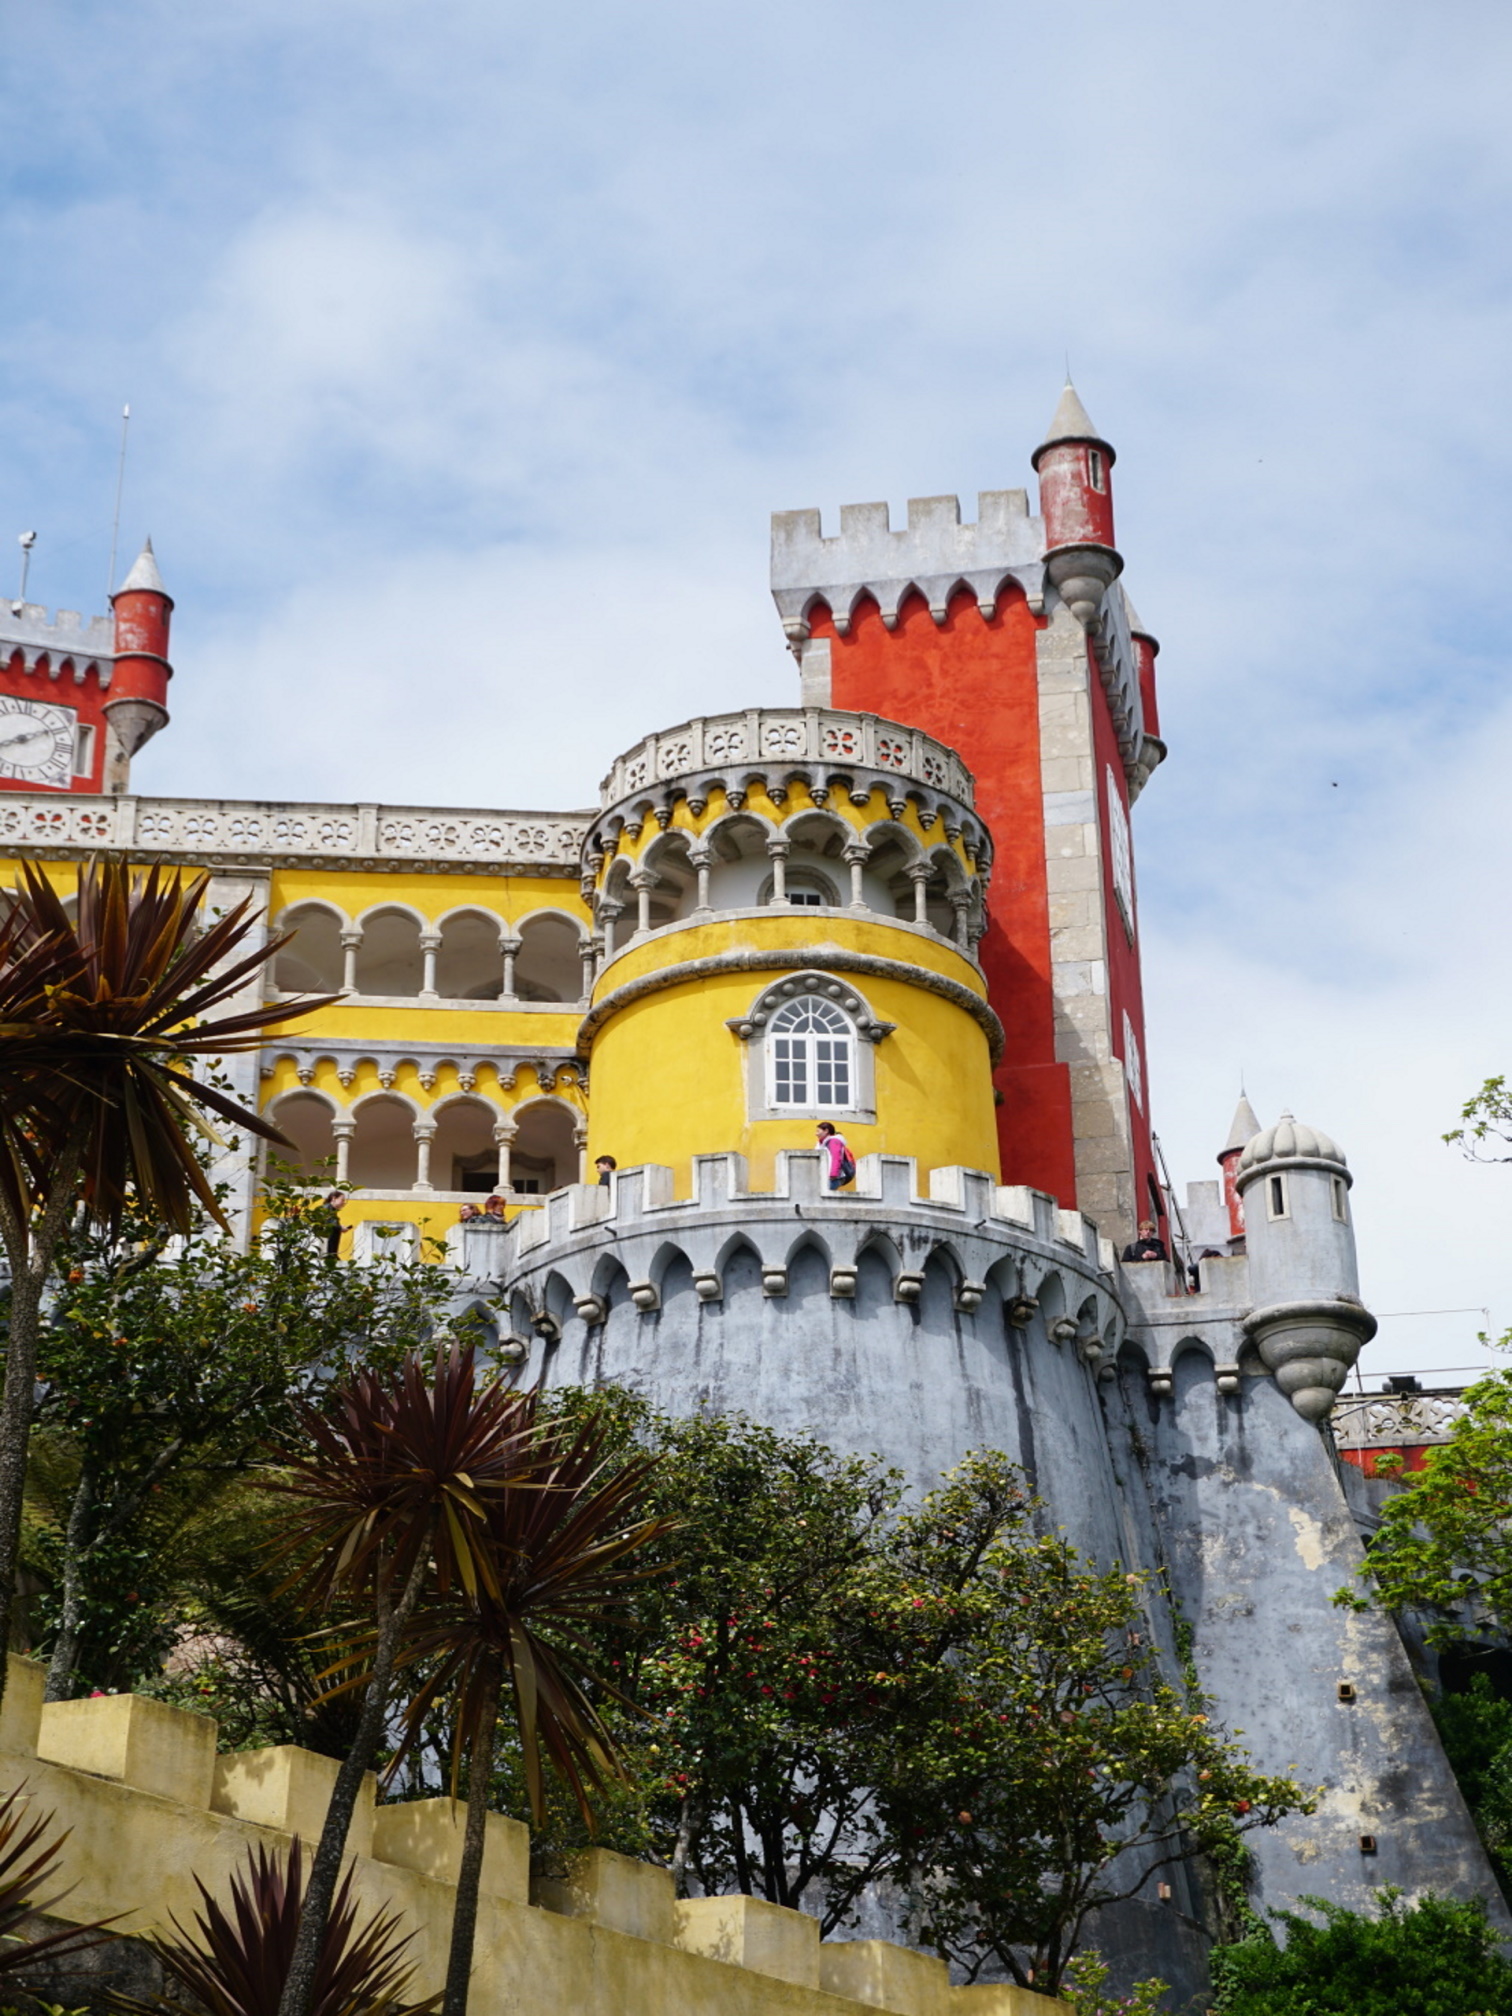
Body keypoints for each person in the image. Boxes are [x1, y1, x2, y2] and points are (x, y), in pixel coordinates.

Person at [815, 1120, 855, 1192]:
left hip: (835, 1177)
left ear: (826, 1131)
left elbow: (836, 1158)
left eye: (818, 1131)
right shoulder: (822, 1144)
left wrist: (833, 1175)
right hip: (829, 1177)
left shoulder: (834, 1141)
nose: (816, 1134)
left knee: (821, 1193)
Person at [321, 1190, 345, 1258]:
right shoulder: (326, 1208)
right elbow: (329, 1223)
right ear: (334, 1198)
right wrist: (340, 1227)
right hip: (328, 1248)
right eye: (342, 1200)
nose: (343, 1202)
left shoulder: (332, 1210)